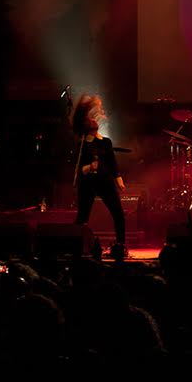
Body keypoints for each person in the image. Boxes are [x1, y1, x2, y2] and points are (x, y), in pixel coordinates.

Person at [71, 95, 128, 261]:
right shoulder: (82, 144)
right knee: (83, 216)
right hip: (88, 183)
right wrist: (89, 167)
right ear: (85, 123)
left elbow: (112, 163)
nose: (95, 119)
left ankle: (121, 244)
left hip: (105, 182)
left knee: (118, 212)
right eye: (91, 118)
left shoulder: (106, 142)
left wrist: (119, 180)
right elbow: (80, 170)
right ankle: (76, 245)